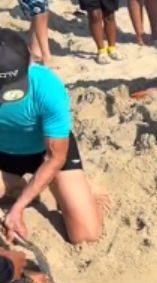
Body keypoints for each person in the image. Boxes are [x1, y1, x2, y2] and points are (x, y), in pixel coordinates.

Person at [0, 30, 104, 244]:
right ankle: (15, 182)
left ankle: (76, 186)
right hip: (4, 153)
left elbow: (55, 157)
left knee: (86, 235)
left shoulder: (48, 86)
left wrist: (18, 208)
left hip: (45, 151)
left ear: (29, 61)